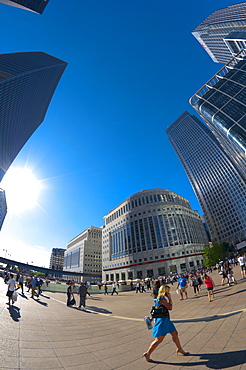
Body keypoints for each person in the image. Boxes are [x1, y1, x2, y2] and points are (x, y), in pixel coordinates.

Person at [143, 285, 189, 362]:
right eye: (168, 291)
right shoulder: (162, 298)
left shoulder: (159, 298)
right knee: (159, 340)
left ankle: (180, 349)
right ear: (165, 291)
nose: (169, 292)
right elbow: (170, 308)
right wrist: (170, 299)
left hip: (166, 320)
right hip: (163, 321)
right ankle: (148, 353)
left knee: (175, 334)